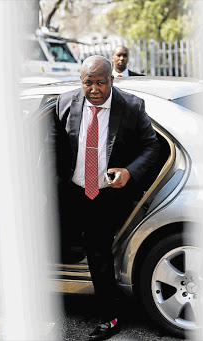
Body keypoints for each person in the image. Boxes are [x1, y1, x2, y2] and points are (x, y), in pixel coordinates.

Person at [52, 55, 159, 340]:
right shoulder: (65, 103)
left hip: (106, 193)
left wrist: (129, 171)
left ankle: (109, 319)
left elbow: (152, 146)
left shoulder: (131, 107)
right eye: (89, 83)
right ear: (81, 81)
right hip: (72, 191)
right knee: (58, 243)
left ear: (111, 80)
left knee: (99, 255)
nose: (95, 89)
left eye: (101, 82)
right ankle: (71, 299)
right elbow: (53, 145)